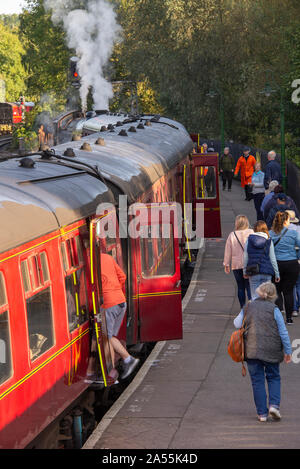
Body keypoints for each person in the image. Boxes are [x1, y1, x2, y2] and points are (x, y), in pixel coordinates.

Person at [233, 282, 292, 422]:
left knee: (257, 381)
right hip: (272, 350)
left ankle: (262, 414)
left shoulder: (248, 306)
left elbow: (236, 323)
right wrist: (288, 351)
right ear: (273, 296)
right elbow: (283, 332)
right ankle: (274, 406)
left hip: (252, 350)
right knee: (273, 377)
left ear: (258, 292)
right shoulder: (274, 309)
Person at [86, 253, 140, 383]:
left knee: (105, 338)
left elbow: (85, 288)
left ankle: (113, 371)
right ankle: (126, 361)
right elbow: (122, 276)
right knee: (109, 337)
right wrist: (114, 290)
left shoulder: (88, 262)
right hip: (121, 301)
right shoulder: (107, 257)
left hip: (108, 305)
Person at [269, 211, 300, 324]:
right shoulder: (293, 233)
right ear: (286, 221)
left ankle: (279, 313)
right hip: (291, 264)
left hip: (276, 264)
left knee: (277, 291)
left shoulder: (270, 234)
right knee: (289, 291)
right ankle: (289, 318)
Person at [243, 221, 280, 298]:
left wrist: (244, 271)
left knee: (254, 297)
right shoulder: (269, 241)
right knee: (267, 297)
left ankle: (256, 310)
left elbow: (245, 257)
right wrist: (277, 273)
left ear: (254, 229)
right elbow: (273, 259)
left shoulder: (249, 240)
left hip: (253, 271)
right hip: (267, 271)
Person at [223, 215, 253, 308]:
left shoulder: (232, 235)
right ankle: (251, 307)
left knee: (240, 287)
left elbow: (228, 251)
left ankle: (242, 308)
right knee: (249, 286)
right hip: (249, 263)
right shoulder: (251, 232)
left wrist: (226, 264)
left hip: (236, 264)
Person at [284, 210, 300, 318]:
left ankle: (294, 308)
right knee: (299, 284)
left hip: (289, 258)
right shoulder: (298, 229)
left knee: (292, 285)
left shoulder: (283, 230)